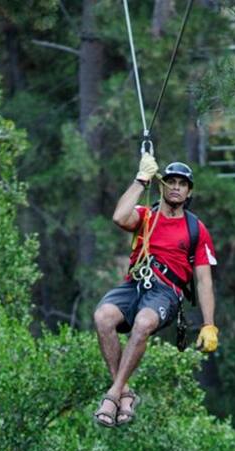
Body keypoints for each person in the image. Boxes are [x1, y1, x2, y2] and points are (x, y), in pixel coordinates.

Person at [92, 152, 219, 427]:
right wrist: (141, 179)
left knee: (143, 322)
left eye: (182, 184)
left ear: (188, 192)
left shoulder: (195, 229)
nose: (175, 187)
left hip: (165, 292)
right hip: (135, 283)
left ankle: (113, 394)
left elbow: (204, 280)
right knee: (103, 317)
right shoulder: (145, 216)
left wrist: (209, 324)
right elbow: (118, 216)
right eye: (170, 181)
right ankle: (124, 393)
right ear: (161, 185)